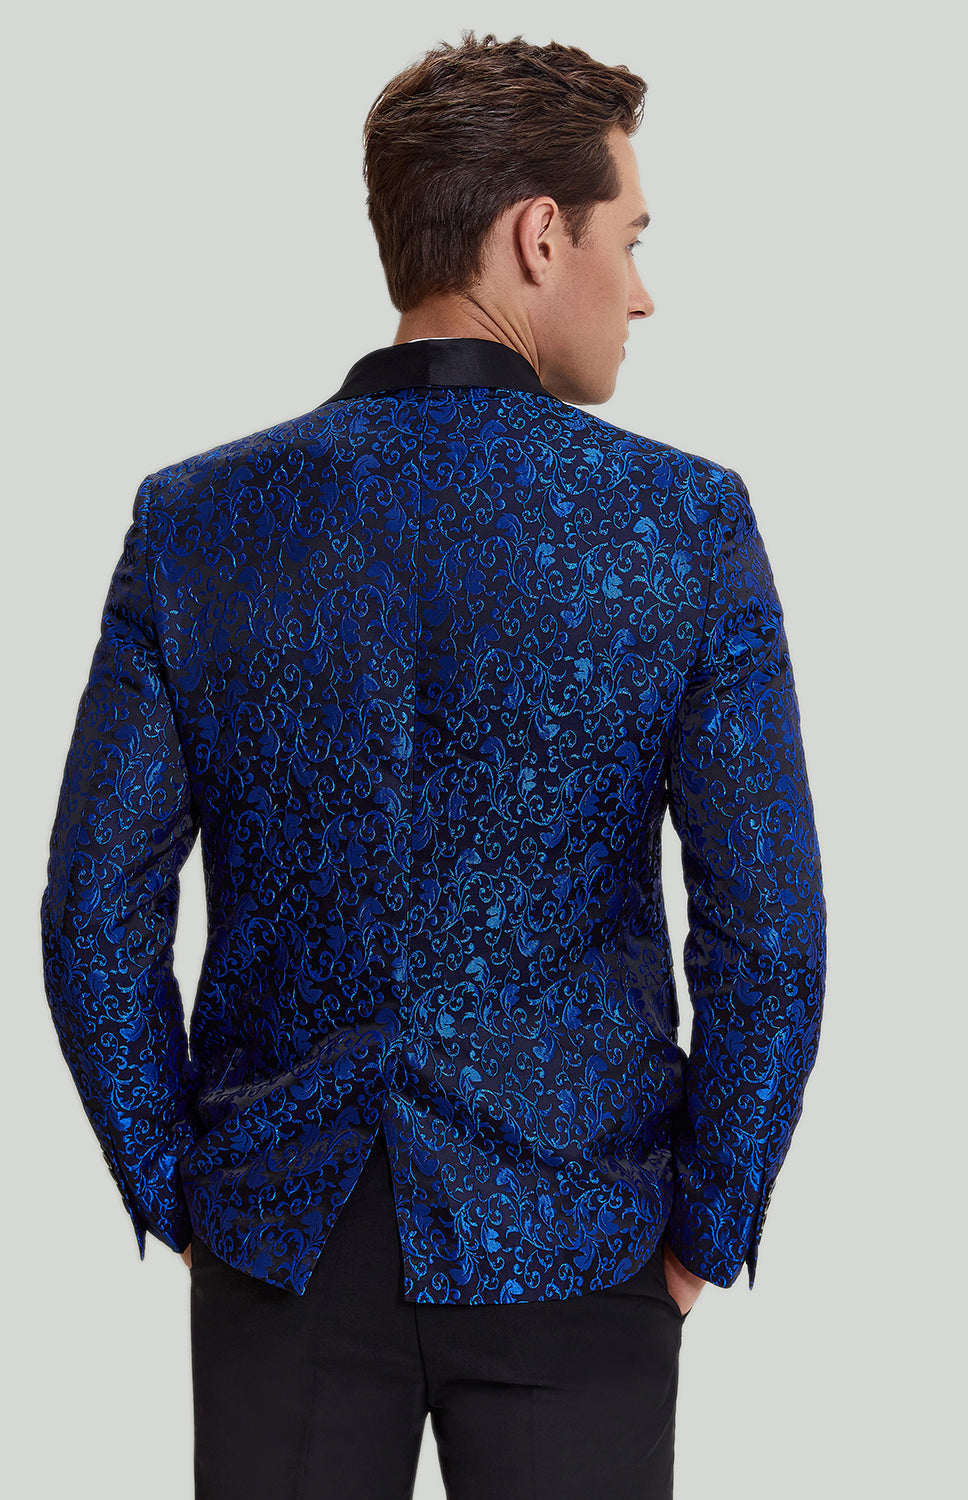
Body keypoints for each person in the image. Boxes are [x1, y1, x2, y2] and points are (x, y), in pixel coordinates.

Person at [40, 29, 827, 1500]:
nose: (643, 291)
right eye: (631, 239)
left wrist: (187, 1192)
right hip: (581, 1239)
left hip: (281, 1241)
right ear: (540, 234)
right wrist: (701, 1234)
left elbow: (95, 913)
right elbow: (766, 929)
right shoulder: (680, 522)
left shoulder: (198, 521)